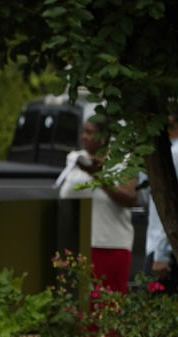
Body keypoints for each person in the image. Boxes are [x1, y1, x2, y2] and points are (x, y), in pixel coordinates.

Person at [56, 114, 139, 293]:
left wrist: (98, 177)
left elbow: (130, 198)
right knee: (82, 308)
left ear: (103, 136)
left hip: (112, 245)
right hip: (80, 245)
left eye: (89, 132)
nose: (83, 136)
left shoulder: (124, 162)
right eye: (83, 132)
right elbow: (64, 193)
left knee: (108, 307)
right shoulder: (75, 159)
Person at [143, 114, 178, 293]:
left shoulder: (174, 153)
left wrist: (162, 252)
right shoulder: (165, 151)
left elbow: (168, 205)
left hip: (164, 249)